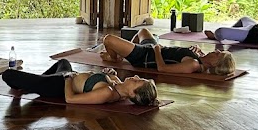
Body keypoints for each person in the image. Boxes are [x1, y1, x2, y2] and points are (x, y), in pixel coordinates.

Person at [2, 59, 158, 107]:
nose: (135, 76)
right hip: (65, 76)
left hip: (58, 85)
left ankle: (33, 83)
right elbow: (111, 81)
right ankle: (33, 82)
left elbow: (70, 99)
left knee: (8, 74)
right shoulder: (119, 87)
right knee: (63, 62)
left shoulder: (107, 93)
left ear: (132, 93)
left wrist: (68, 78)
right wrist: (110, 74)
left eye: (137, 81)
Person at [101, 28, 236, 76]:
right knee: (143, 31)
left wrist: (157, 50)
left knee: (108, 39)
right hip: (151, 48)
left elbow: (162, 68)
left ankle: (115, 58)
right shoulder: (199, 59)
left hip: (144, 57)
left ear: (215, 64)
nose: (216, 50)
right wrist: (198, 52)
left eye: (218, 54)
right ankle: (124, 53)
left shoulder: (194, 65)